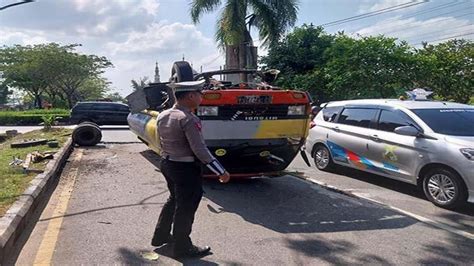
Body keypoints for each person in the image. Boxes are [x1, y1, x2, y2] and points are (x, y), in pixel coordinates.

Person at [151, 80, 231, 258]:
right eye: (200, 93)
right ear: (190, 96)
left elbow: (160, 142)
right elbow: (199, 149)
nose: (202, 97)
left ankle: (161, 234)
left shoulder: (163, 115)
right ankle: (183, 247)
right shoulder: (188, 119)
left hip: (168, 164)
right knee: (185, 207)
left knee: (174, 200)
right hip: (185, 168)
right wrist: (221, 171)